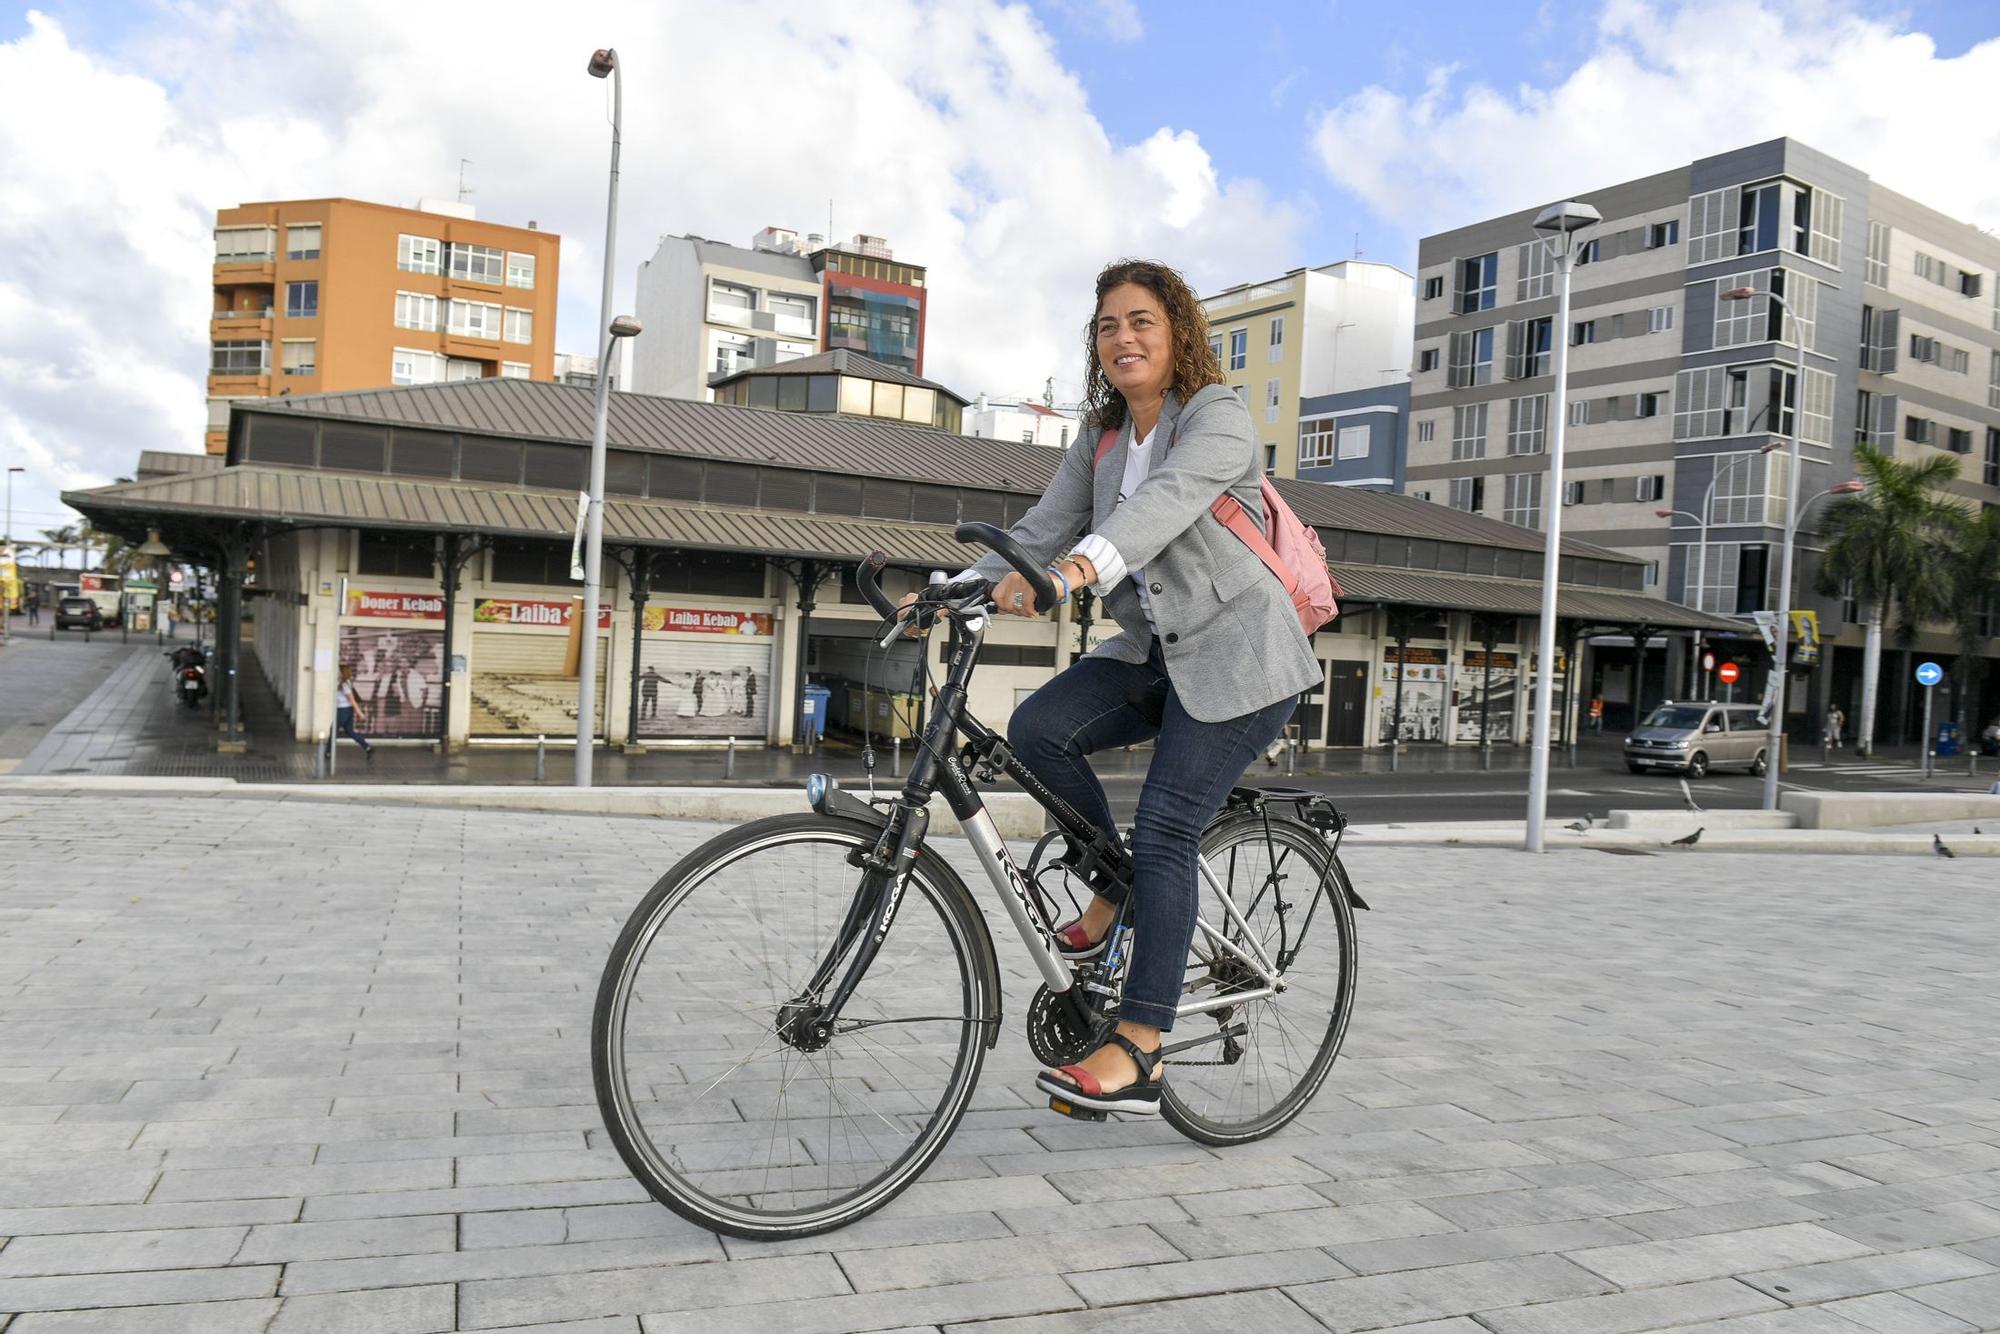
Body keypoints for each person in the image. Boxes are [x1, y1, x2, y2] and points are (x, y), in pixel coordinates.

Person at [908, 258, 1319, 1118]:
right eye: (1107, 326)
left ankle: (1141, 1047)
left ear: (1177, 334)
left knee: (1169, 824)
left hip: (1243, 657)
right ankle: (1119, 883)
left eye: (1141, 321)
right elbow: (1036, 531)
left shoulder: (1217, 418)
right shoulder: (1099, 439)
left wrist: (1071, 574)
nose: (1122, 337)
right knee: (1038, 729)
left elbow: (1160, 507)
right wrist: (947, 589)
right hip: (1156, 649)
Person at [334, 664, 375, 759]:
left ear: (342, 672)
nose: (337, 672)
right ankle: (367, 747)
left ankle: (328, 753)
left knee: (333, 731)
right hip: (347, 710)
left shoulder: (344, 684)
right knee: (350, 732)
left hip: (343, 711)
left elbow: (352, 700)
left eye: (339, 671)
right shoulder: (344, 682)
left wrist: (360, 713)